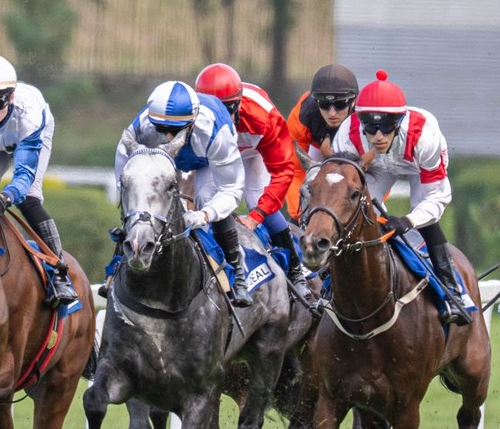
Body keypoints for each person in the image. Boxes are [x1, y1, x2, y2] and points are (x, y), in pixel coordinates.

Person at [330, 69, 472, 326]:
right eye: (371, 128)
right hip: (377, 167)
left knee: (425, 219)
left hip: (417, 163)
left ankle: (453, 292)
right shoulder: (347, 137)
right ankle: (329, 284)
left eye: (386, 127)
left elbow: (437, 198)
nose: (378, 136)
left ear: (399, 121)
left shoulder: (424, 135)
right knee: (353, 214)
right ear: (360, 121)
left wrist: (408, 220)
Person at [0, 53, 77, 306]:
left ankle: (59, 272)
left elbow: (24, 174)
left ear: (11, 96)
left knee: (29, 198)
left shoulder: (29, 113)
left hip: (24, 139)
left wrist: (8, 196)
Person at [115, 80, 252, 307]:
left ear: (192, 122)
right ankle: (117, 269)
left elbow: (231, 188)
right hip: (161, 156)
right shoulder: (140, 128)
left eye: (175, 131)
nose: (168, 136)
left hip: (207, 159)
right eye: (161, 129)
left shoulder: (217, 133)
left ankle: (237, 275)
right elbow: (125, 179)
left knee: (205, 197)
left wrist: (205, 215)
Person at [194, 62, 314, 302]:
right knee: (204, 198)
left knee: (257, 198)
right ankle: (223, 270)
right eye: (210, 109)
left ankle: (296, 271)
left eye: (225, 109)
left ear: (237, 105)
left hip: (253, 151)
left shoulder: (265, 118)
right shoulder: (191, 116)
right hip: (216, 153)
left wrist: (256, 215)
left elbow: (283, 171)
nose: (218, 117)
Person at [286, 63, 360, 214]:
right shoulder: (301, 116)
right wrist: (299, 214)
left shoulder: (364, 116)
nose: (332, 113)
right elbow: (293, 171)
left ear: (353, 101)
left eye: (340, 104)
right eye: (324, 104)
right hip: (317, 146)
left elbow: (377, 171)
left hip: (353, 149)